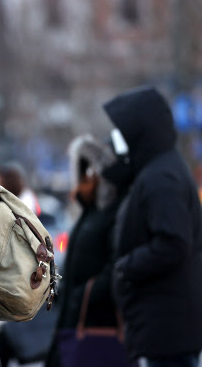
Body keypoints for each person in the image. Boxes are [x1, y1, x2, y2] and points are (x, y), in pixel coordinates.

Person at [104, 86, 202, 366]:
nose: (119, 138)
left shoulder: (161, 177)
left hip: (171, 324)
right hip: (167, 322)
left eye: (124, 129)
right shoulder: (157, 169)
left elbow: (173, 243)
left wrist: (126, 266)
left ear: (141, 130)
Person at [46, 135, 129, 367]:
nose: (87, 180)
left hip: (97, 323)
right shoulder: (87, 213)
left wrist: (83, 295)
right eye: (83, 173)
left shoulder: (112, 214)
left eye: (92, 172)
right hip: (72, 321)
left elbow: (116, 265)